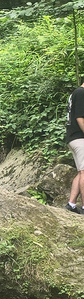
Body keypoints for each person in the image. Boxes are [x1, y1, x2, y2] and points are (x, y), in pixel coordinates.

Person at [65, 82, 84, 213]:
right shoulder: (81, 93)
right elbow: (79, 118)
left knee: (81, 172)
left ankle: (71, 204)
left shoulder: (76, 93)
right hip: (79, 138)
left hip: (73, 137)